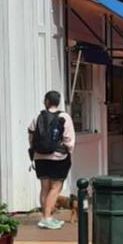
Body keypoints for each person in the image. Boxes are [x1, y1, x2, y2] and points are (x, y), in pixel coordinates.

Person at [28, 91, 75, 229]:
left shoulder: (38, 116)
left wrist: (35, 149)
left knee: (44, 187)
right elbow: (69, 139)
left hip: (40, 156)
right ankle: (46, 218)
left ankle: (46, 216)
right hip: (58, 157)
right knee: (55, 187)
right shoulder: (64, 117)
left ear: (46, 101)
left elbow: (31, 135)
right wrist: (68, 150)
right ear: (58, 102)